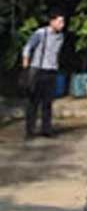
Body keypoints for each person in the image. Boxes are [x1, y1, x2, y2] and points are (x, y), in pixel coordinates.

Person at [21, 10, 66, 139]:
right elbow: (27, 47)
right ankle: (30, 130)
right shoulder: (41, 33)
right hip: (38, 70)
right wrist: (26, 66)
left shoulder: (60, 36)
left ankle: (46, 129)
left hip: (51, 70)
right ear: (52, 22)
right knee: (33, 102)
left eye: (62, 22)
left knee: (48, 102)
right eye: (59, 21)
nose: (62, 24)